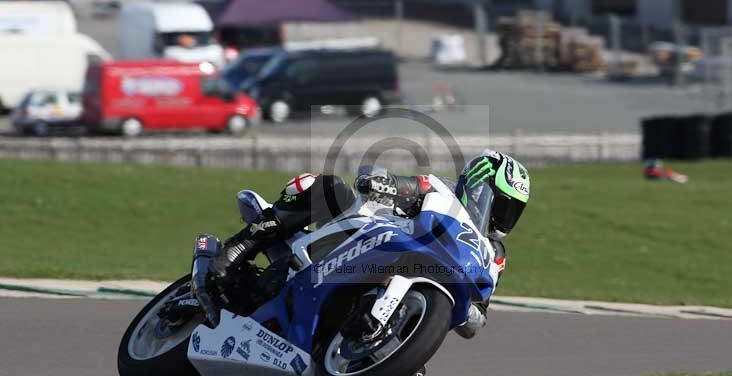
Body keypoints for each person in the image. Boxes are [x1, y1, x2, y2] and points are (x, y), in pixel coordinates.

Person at [207, 150, 531, 339]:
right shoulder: (438, 189)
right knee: (325, 186)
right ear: (479, 186)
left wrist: (455, 316)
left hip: (410, 295)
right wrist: (382, 182)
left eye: (513, 211)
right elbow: (392, 183)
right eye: (502, 204)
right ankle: (239, 247)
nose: (505, 217)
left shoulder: (494, 256)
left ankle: (380, 343)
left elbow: (476, 321)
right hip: (370, 240)